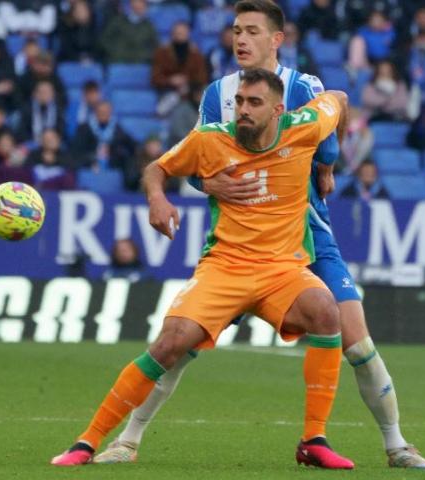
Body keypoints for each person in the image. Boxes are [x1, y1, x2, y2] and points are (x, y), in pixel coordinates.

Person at [95, 0, 425, 470]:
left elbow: (329, 137)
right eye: (236, 30)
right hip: (240, 244)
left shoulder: (303, 86)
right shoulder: (216, 93)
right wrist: (206, 184)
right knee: (181, 345)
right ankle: (127, 441)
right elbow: (197, 161)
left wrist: (328, 167)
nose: (240, 39)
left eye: (252, 31)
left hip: (306, 235)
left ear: (277, 39)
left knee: (355, 339)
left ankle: (397, 445)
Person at [52, 69, 354, 470]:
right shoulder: (212, 138)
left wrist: (327, 164)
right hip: (225, 267)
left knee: (326, 311)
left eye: (254, 103)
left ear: (279, 110)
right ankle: (86, 442)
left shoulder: (306, 126)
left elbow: (341, 99)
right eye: (241, 101)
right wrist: (157, 199)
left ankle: (313, 440)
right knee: (170, 344)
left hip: (282, 269)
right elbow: (157, 168)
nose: (243, 110)